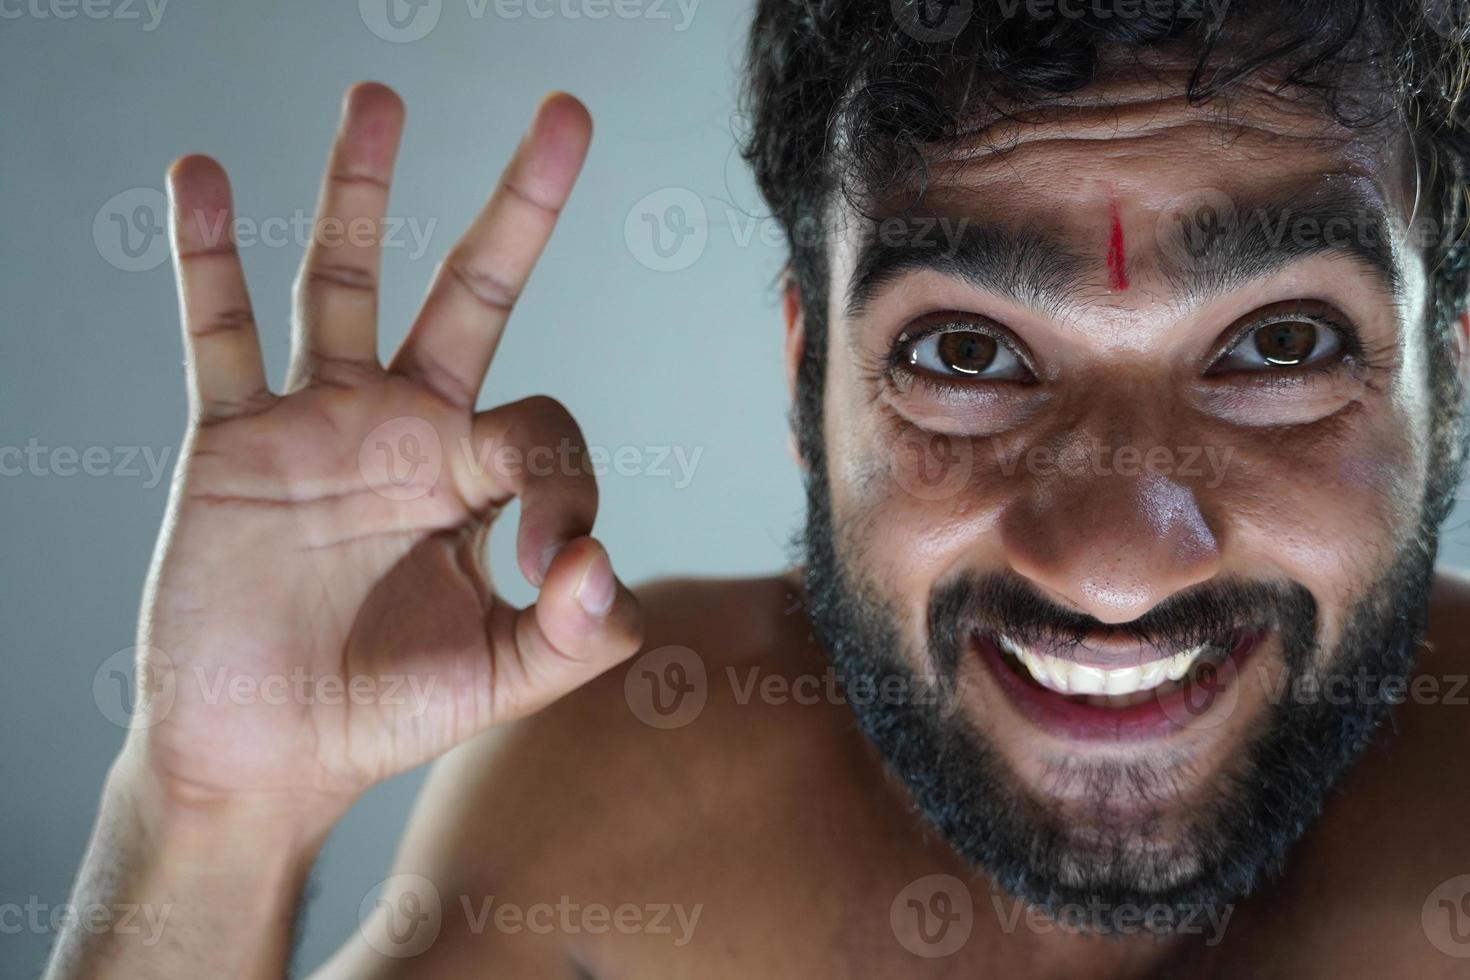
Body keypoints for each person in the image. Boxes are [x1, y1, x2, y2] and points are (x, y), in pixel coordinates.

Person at [44, 1, 1470, 976]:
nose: (1112, 563)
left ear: (1444, 390)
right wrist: (212, 812)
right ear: (808, 384)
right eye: (964, 350)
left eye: (1281, 345)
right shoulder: (626, 782)